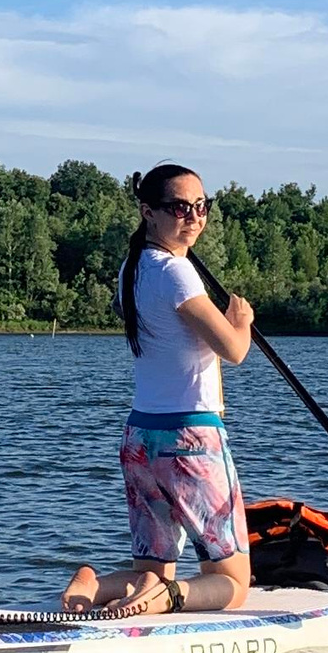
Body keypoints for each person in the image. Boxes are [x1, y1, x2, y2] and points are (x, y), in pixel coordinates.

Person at [62, 165, 256, 617]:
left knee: (153, 568)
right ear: (148, 212)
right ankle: (167, 601)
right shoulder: (177, 273)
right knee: (234, 582)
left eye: (201, 206)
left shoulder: (133, 267)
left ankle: (95, 587)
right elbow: (234, 351)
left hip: (141, 438)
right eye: (179, 208)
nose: (194, 217)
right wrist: (241, 320)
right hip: (190, 440)